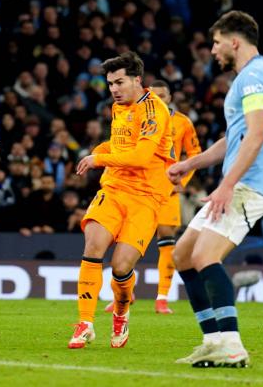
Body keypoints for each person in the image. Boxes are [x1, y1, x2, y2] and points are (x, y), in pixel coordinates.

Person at [167, 11, 263, 368]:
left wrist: (226, 185)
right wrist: (191, 164)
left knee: (204, 256)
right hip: (238, 183)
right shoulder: (247, 79)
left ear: (235, 41)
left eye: (216, 43)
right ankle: (213, 340)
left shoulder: (254, 79)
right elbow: (233, 139)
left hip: (250, 186)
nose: (212, 50)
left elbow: (258, 134)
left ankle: (232, 347)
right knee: (183, 255)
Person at [68, 51, 174, 349]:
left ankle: (121, 312)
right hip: (114, 190)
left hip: (146, 197)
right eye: (110, 83)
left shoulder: (154, 110)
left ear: (137, 80)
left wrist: (98, 158)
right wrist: (95, 153)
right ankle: (85, 323)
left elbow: (141, 156)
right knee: (93, 244)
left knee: (120, 266)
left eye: (119, 82)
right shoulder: (119, 107)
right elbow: (120, 143)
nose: (113, 89)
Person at [104, 79, 202, 315]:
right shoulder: (134, 113)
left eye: (163, 95)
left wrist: (182, 182)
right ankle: (124, 293)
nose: (157, 98)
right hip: (134, 189)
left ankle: (162, 297)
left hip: (166, 189)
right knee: (123, 241)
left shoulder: (182, 123)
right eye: (154, 94)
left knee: (166, 240)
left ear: (170, 98)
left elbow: (195, 153)